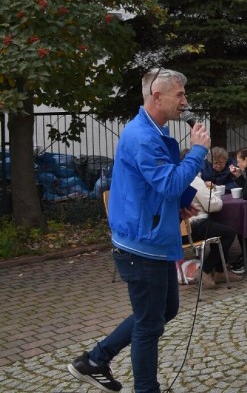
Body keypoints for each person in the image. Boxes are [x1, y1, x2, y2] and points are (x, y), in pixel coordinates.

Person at [67, 68, 210, 393]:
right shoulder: (142, 137)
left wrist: (176, 205)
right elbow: (170, 181)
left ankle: (96, 359)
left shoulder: (154, 132)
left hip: (153, 239)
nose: (185, 102)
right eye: (180, 95)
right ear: (157, 96)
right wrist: (199, 150)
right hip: (140, 247)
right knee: (149, 324)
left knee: (166, 310)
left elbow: (153, 187)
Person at [186, 162, 237, 289]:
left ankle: (220, 271)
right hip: (196, 226)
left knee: (220, 228)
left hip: (180, 230)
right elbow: (213, 205)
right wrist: (213, 192)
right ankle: (206, 270)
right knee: (229, 233)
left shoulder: (174, 180)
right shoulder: (195, 180)